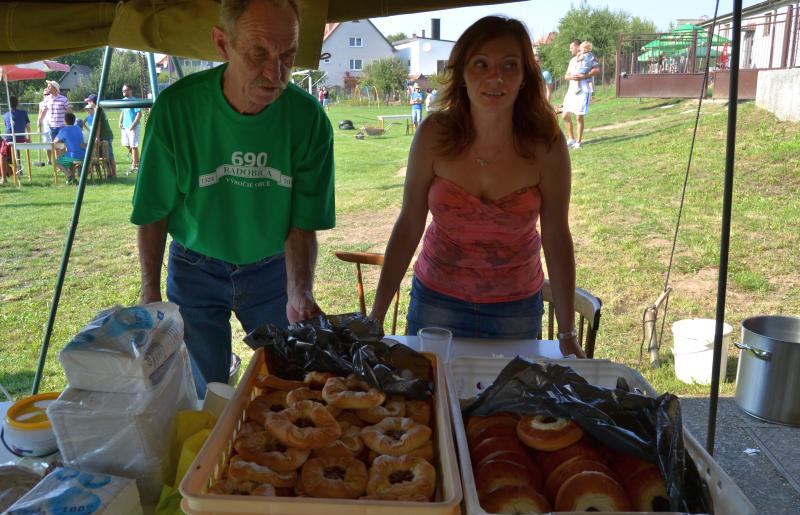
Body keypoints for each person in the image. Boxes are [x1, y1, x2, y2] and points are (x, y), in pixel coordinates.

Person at [130, 0, 335, 396]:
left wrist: (299, 291)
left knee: (287, 383)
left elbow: (301, 223)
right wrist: (150, 292)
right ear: (223, 44)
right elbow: (154, 211)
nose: (275, 74)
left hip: (272, 268)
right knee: (206, 390)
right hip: (195, 268)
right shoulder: (178, 110)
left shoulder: (308, 119)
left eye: (288, 56)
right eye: (259, 54)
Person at [369, 16, 584, 357]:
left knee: (510, 393)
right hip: (436, 303)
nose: (495, 77)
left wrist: (568, 333)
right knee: (432, 388)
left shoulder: (547, 143)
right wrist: (376, 316)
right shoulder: (433, 135)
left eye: (509, 65)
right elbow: (409, 224)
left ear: (525, 77)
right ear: (462, 73)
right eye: (481, 64)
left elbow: (557, 235)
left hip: (515, 309)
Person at [562, 39, 600, 150]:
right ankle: (571, 139)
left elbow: (597, 70)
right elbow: (566, 76)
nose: (570, 50)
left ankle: (578, 142)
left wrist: (584, 76)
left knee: (579, 116)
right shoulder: (572, 61)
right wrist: (572, 77)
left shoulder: (589, 56)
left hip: (583, 90)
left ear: (578, 47)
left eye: (571, 47)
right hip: (571, 91)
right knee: (565, 115)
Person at [84, 93, 117, 179]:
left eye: (89, 101)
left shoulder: (97, 110)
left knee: (109, 155)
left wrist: (97, 138)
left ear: (93, 102)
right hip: (103, 135)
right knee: (104, 156)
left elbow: (98, 125)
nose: (88, 103)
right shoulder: (96, 110)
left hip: (106, 136)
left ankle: (113, 174)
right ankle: (109, 173)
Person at [1, 95, 31, 183]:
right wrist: (29, 138)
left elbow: (8, 127)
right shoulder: (24, 113)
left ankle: (4, 179)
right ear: (17, 103)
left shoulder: (5, 115)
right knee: (15, 149)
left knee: (2, 156)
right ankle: (18, 170)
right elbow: (28, 127)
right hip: (21, 138)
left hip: (10, 139)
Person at [53, 112, 86, 184]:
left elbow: (55, 141)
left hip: (73, 156)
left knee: (56, 162)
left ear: (65, 121)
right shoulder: (78, 128)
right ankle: (72, 179)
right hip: (84, 154)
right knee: (69, 161)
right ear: (74, 120)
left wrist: (62, 139)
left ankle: (69, 176)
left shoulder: (64, 130)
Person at [118, 84, 142, 171]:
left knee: (134, 146)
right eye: (123, 90)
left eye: (125, 90)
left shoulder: (134, 101)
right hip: (125, 127)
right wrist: (120, 122)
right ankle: (137, 160)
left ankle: (134, 165)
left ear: (130, 90)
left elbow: (139, 114)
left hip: (133, 127)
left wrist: (133, 125)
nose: (123, 92)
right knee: (126, 144)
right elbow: (122, 112)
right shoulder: (123, 101)